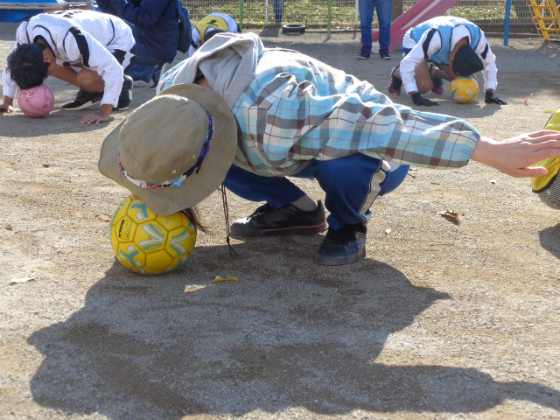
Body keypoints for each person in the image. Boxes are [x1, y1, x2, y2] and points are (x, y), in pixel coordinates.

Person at [98, 32, 560, 267]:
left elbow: (382, 123)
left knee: (346, 161)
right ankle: (298, 211)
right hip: (277, 142)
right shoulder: (170, 97)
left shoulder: (274, 108)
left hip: (368, 140)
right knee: (221, 162)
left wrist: (488, 148)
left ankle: (348, 225)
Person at [0, 9, 135, 124]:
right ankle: (91, 90)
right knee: (51, 66)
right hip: (81, 40)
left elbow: (112, 68)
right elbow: (15, 66)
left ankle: (121, 86)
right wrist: (7, 101)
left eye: (44, 77)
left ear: (46, 57)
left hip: (118, 39)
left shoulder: (72, 38)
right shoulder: (25, 32)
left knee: (87, 78)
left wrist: (104, 113)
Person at [388, 16, 507, 107]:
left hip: (442, 45)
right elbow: (407, 62)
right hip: (416, 41)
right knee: (423, 87)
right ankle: (397, 73)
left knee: (470, 82)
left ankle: (433, 73)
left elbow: (490, 62)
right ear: (451, 57)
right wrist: (414, 94)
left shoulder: (478, 38)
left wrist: (490, 92)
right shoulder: (436, 36)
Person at [96, 0, 180, 89]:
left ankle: (150, 69)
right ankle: (148, 69)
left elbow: (144, 18)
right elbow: (116, 13)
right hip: (147, 38)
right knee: (107, 30)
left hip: (157, 46)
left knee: (104, 61)